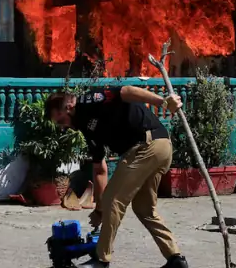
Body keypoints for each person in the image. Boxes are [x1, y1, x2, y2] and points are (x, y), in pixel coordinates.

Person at [45, 85, 190, 268]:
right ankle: (175, 259)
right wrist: (99, 210)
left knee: (113, 200)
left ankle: (101, 260)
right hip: (158, 148)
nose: (62, 127)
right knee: (144, 209)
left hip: (147, 144)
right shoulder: (85, 128)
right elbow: (99, 169)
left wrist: (162, 102)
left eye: (60, 121)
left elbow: (126, 91)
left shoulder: (88, 100)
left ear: (67, 107)